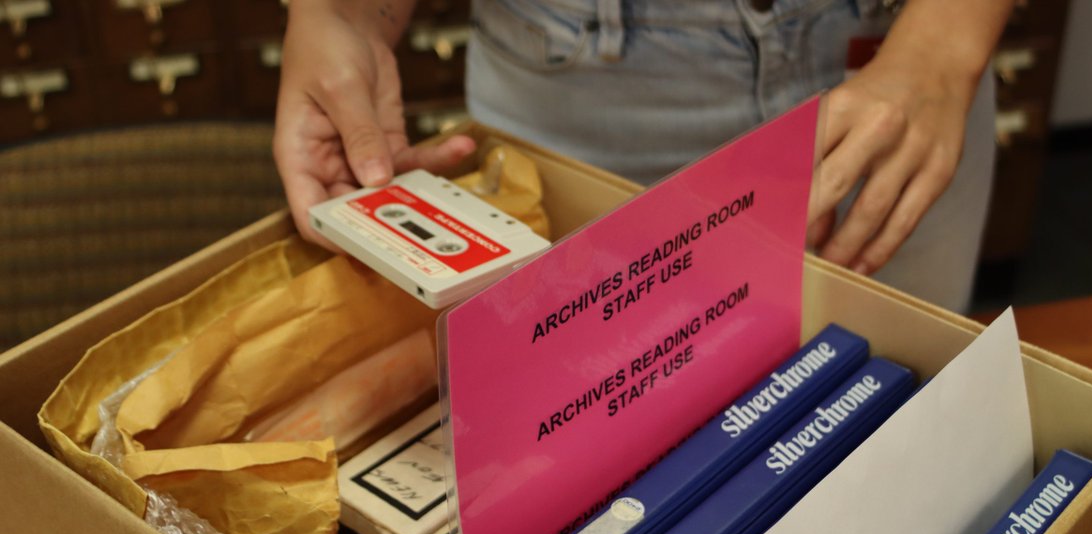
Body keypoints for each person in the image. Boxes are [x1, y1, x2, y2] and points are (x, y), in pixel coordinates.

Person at [274, 0, 1014, 313]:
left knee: (884, 442)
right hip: (579, 79)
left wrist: (944, 47)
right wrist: (344, 14)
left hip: (895, 55)